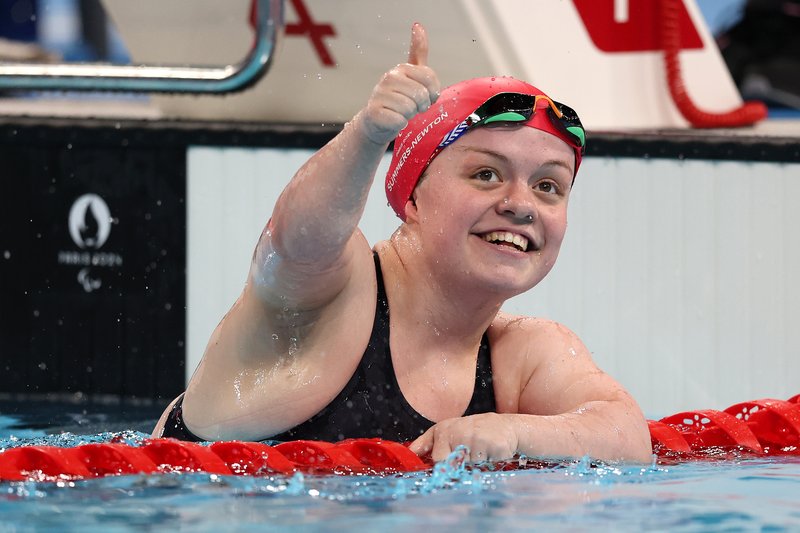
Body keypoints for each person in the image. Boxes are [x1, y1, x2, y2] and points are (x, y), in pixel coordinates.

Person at [153, 23, 653, 464]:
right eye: (486, 174)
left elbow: (628, 438)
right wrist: (370, 135)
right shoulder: (336, 295)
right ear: (412, 198)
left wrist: (513, 431)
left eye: (549, 186)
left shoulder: (522, 352)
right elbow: (295, 242)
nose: (521, 205)